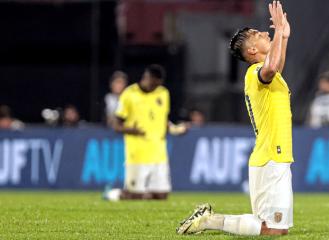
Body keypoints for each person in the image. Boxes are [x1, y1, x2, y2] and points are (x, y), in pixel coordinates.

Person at [177, 1, 293, 236]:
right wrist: (279, 32)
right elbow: (271, 68)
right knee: (272, 230)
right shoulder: (255, 73)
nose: (263, 32)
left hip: (273, 155)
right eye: (256, 34)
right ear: (251, 51)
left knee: (276, 229)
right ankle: (209, 220)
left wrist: (284, 37)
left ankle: (209, 220)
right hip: (271, 156)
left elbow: (276, 66)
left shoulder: (265, 72)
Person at [104, 64, 187, 201]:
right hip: (137, 154)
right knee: (135, 196)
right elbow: (116, 125)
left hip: (159, 153)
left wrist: (177, 130)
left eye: (158, 84)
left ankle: (140, 194)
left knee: (162, 195)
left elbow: (163, 120)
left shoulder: (163, 93)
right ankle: (112, 194)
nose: (155, 87)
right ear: (146, 77)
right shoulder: (129, 94)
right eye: (153, 83)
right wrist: (132, 130)